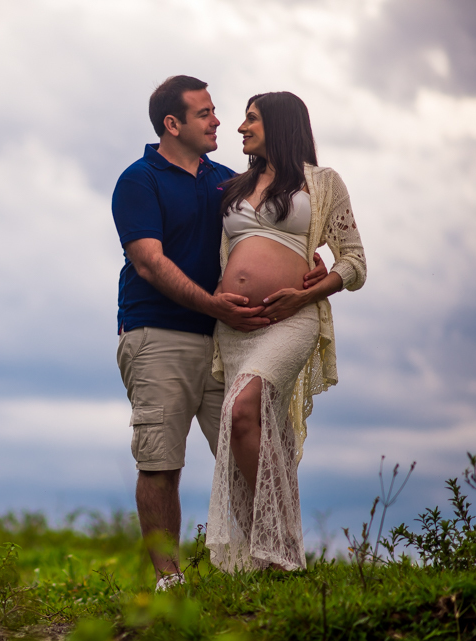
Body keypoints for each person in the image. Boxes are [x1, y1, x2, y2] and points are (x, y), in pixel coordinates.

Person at [111, 77, 328, 590]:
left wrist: (309, 259)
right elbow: (149, 263)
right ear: (173, 124)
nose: (219, 122)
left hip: (228, 339)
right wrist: (212, 303)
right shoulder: (139, 180)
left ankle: (277, 564)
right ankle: (170, 577)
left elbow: (265, 229)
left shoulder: (229, 181)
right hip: (157, 334)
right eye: (206, 113)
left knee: (256, 444)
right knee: (161, 459)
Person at [206, 91, 367, 572]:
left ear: (278, 123)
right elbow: (226, 256)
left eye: (250, 119)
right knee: (253, 431)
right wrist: (222, 295)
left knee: (242, 409)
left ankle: (277, 547)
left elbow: (355, 262)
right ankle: (276, 557)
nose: (239, 128)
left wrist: (306, 295)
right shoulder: (235, 186)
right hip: (237, 329)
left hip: (290, 319)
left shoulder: (322, 182)